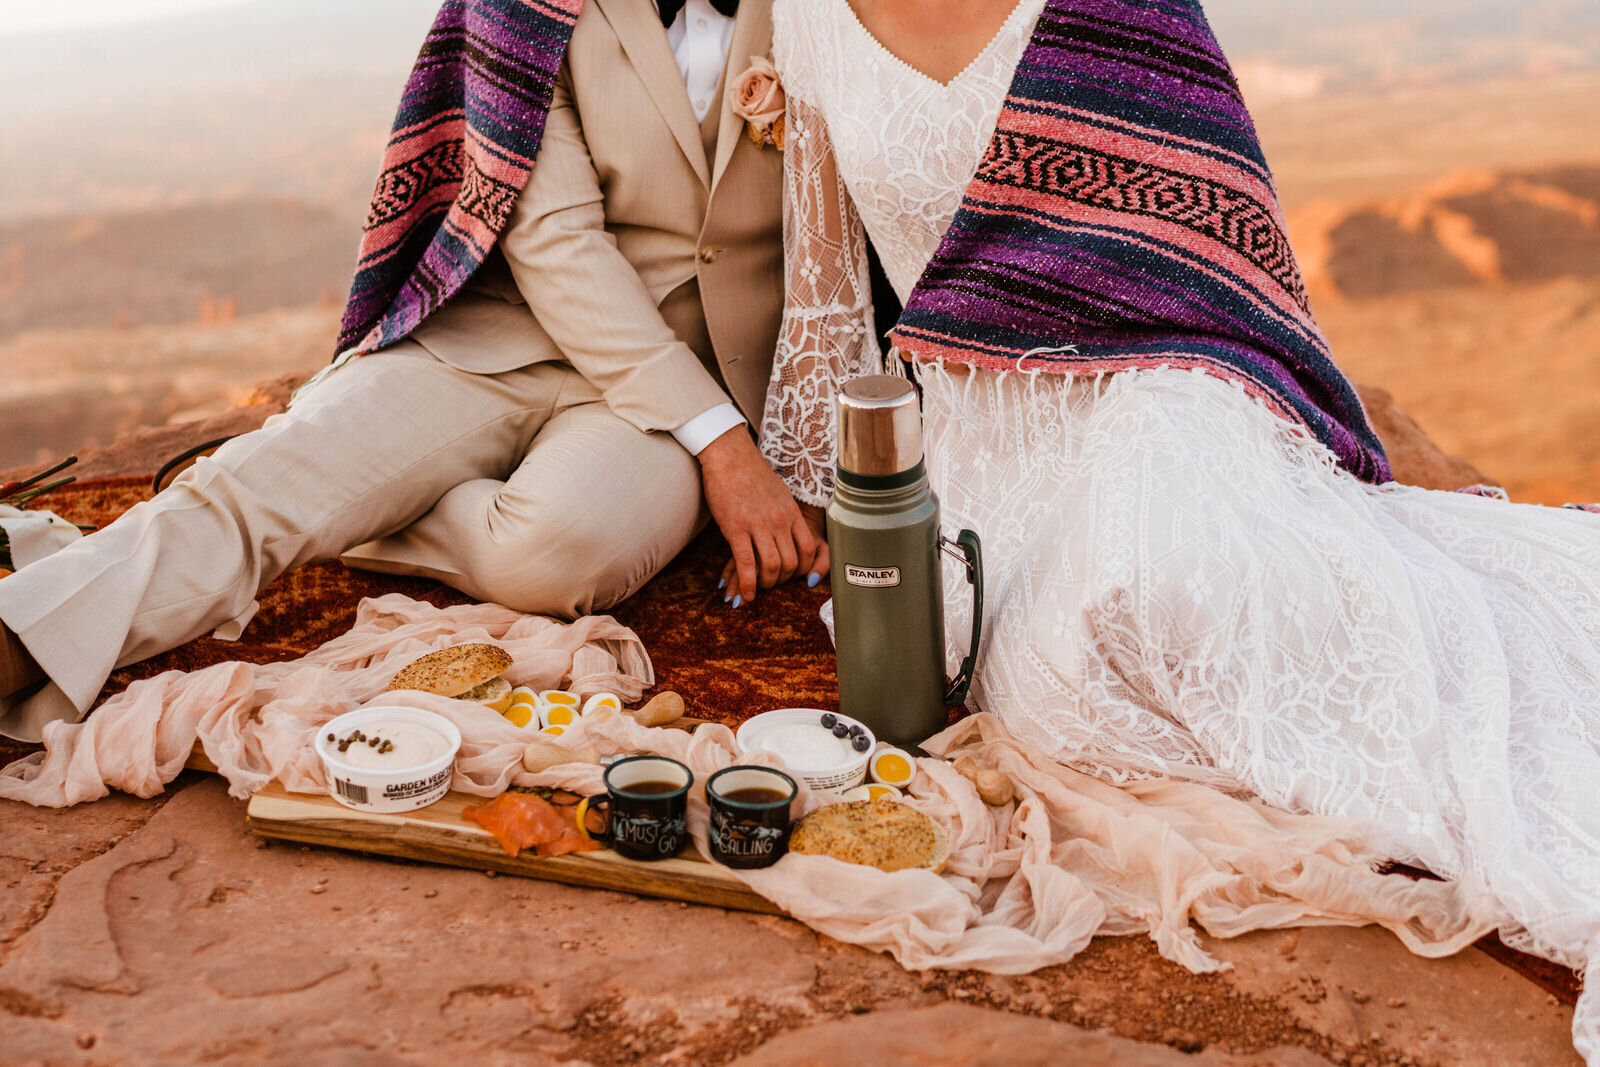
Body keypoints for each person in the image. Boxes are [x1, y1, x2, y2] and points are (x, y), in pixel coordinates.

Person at [760, 0, 1600, 1058]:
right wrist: (822, 479)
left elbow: (1224, 249)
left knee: (1170, 561)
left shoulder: (1114, 9)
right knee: (1052, 682)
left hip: (1160, 383)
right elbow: (827, 285)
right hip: (976, 430)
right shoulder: (807, 18)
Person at [0, 0, 824, 742]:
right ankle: (23, 638)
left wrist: (733, 428)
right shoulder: (518, 6)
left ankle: (360, 509)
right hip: (507, 333)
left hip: (682, 388)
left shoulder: (830, 11)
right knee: (259, 485)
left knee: (554, 554)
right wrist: (726, 450)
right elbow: (556, 243)